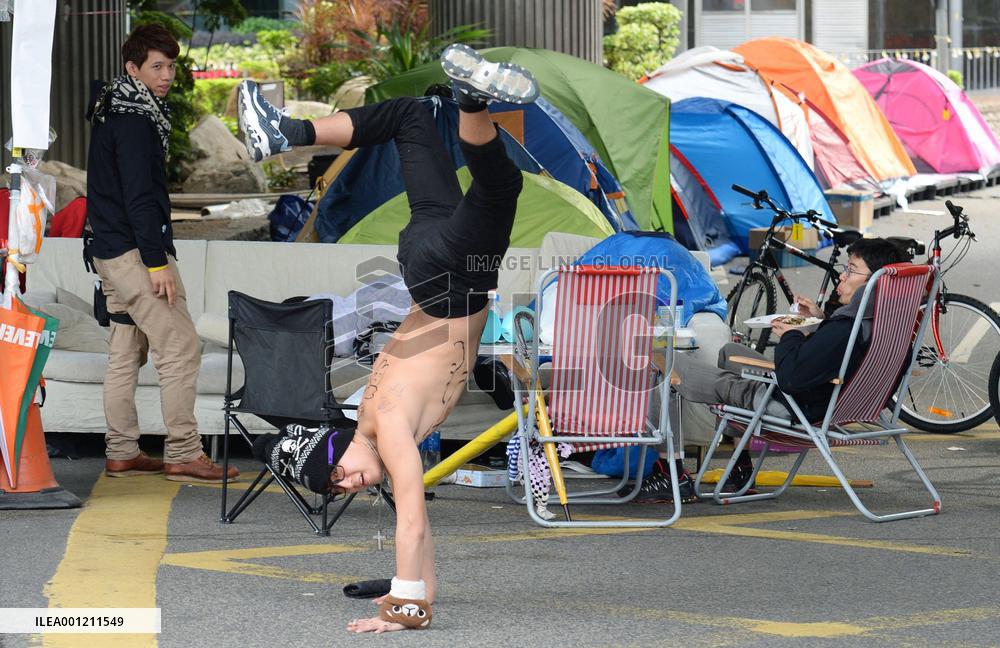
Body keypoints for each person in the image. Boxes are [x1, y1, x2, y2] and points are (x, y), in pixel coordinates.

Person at [242, 43, 539, 633]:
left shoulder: (389, 423)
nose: (349, 484)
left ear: (342, 443)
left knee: (500, 188)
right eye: (339, 489)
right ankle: (288, 132)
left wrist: (404, 610)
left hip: (452, 280)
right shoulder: (372, 422)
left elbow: (412, 519)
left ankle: (471, 101)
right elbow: (415, 527)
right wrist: (424, 588)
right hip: (425, 263)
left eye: (338, 472)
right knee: (410, 116)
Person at [86, 24, 238, 483]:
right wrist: (156, 262)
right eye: (157, 66)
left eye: (170, 66)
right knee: (180, 348)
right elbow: (139, 198)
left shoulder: (113, 108)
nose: (167, 75)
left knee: (125, 351)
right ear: (132, 68)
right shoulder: (136, 120)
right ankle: (184, 453)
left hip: (107, 249)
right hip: (135, 254)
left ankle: (122, 451)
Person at [670, 237, 905, 428]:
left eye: (851, 271)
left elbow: (791, 378)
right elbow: (834, 351)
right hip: (832, 403)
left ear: (875, 281)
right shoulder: (885, 323)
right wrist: (819, 321)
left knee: (664, 360)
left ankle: (670, 464)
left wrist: (791, 334)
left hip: (793, 407)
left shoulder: (846, 327)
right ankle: (740, 461)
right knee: (730, 351)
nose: (842, 276)